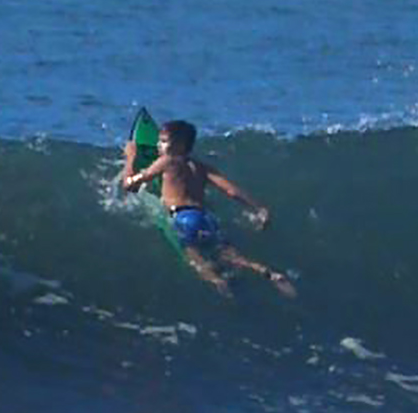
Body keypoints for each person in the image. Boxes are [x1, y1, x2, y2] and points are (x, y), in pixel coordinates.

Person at [117, 119, 298, 299]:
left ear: (179, 145)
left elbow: (129, 185)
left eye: (163, 141)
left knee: (194, 259)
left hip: (184, 219)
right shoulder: (201, 167)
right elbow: (231, 191)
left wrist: (130, 157)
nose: (158, 145)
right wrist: (259, 208)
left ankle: (219, 284)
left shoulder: (167, 161)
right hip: (206, 218)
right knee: (231, 255)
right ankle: (267, 273)